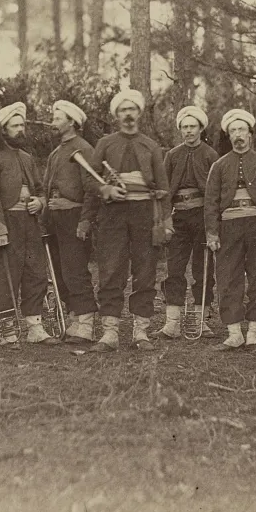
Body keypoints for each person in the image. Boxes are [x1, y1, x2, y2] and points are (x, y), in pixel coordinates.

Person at [88, 88, 172, 352]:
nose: (128, 115)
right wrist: (106, 190)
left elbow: (164, 186)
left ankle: (141, 332)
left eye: (132, 109)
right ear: (116, 115)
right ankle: (110, 333)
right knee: (111, 269)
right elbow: (89, 177)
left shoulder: (151, 146)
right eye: (123, 110)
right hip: (113, 214)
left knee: (145, 271)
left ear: (140, 113)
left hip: (145, 214)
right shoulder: (105, 143)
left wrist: (166, 220)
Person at [0, 102, 59, 347]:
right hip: (8, 223)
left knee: (35, 274)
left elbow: (38, 188)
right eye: (14, 126)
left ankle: (35, 327)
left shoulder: (26, 158)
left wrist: (39, 202)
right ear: (3, 130)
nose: (20, 130)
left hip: (30, 223)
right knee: (8, 277)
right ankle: (9, 332)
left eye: (22, 125)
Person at [204, 109, 256, 352]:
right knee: (228, 278)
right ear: (229, 135)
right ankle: (234, 333)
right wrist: (212, 233)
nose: (238, 135)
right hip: (228, 228)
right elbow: (211, 202)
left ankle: (254, 335)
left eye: (242, 130)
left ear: (250, 134)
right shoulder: (219, 165)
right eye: (233, 131)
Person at [154, 105, 219, 340]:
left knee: (204, 269)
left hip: (203, 217)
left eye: (193, 126)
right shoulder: (172, 155)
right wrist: (166, 220)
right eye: (184, 127)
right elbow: (163, 191)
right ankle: (172, 323)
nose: (189, 131)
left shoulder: (211, 155)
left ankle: (202, 320)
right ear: (180, 129)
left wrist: (213, 225)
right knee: (175, 268)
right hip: (179, 218)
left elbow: (217, 191)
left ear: (201, 128)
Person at [42, 100, 100, 344]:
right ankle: (74, 318)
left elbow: (92, 190)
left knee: (75, 270)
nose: (53, 122)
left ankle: (86, 324)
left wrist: (85, 222)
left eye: (58, 117)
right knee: (60, 272)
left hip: (74, 218)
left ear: (72, 122)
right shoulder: (56, 152)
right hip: (55, 219)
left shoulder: (83, 149)